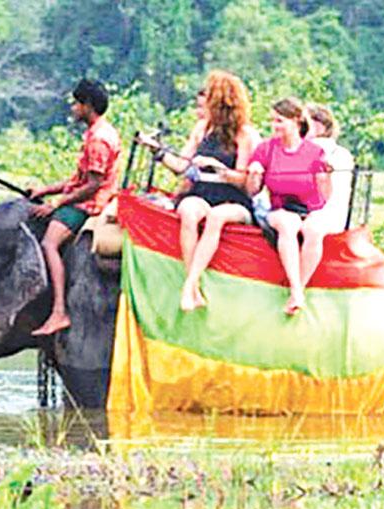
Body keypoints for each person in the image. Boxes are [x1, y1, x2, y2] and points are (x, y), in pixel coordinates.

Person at [140, 70, 262, 311]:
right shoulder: (202, 128)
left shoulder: (246, 135)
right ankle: (192, 286)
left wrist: (219, 168)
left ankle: (190, 284)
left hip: (232, 197)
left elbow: (246, 183)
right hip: (202, 192)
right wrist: (158, 151)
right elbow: (182, 165)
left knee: (217, 217)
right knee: (188, 210)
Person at [27, 79, 122, 336]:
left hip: (90, 203)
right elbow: (77, 179)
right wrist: (46, 191)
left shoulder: (99, 140)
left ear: (87, 105)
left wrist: (57, 203)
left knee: (49, 243)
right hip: (84, 197)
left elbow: (93, 184)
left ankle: (59, 311)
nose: (72, 108)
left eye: (76, 103)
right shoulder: (98, 132)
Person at [246, 97, 332, 315]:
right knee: (288, 224)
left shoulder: (314, 152)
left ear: (296, 121)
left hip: (308, 209)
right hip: (280, 208)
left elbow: (324, 198)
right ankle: (295, 288)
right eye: (273, 121)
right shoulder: (266, 149)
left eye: (279, 121)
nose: (274, 126)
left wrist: (325, 177)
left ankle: (299, 290)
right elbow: (252, 191)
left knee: (314, 231)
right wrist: (254, 174)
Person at [306, 103, 355, 233]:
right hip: (339, 217)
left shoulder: (311, 149)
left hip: (317, 219)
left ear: (319, 127)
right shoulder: (343, 153)